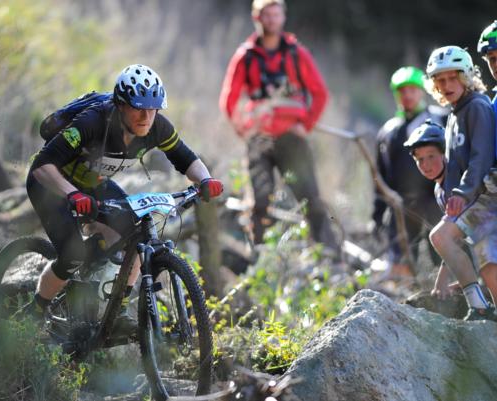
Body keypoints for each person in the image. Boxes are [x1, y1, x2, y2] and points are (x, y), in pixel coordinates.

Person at [25, 64, 224, 334]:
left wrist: (206, 181)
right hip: (52, 185)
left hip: (93, 185)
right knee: (72, 256)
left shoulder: (157, 127)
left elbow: (185, 158)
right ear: (120, 105)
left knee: (136, 231)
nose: (146, 116)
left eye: (153, 108)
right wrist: (72, 194)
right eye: (138, 108)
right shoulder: (92, 122)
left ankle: (116, 310)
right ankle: (36, 308)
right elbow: (42, 166)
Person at [218, 0, 338, 253]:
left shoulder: (296, 53)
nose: (271, 20)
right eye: (266, 15)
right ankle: (259, 257)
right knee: (260, 203)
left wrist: (305, 125)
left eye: (276, 14)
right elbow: (228, 99)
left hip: (291, 138)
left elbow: (320, 93)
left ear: (283, 17)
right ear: (256, 18)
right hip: (259, 140)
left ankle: (328, 256)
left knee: (311, 201)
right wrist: (244, 131)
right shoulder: (246, 56)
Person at [417, 45, 497, 321]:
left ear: (466, 77)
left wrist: (462, 193)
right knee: (484, 259)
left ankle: (480, 307)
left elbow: (482, 156)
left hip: (486, 196)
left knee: (445, 238)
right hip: (473, 197)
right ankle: (481, 307)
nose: (447, 85)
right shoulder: (454, 113)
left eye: (453, 78)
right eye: (440, 80)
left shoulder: (477, 106)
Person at [372, 66, 445, 279]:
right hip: (401, 205)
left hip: (436, 199)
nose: (407, 96)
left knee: (441, 255)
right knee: (401, 259)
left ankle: (451, 299)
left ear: (422, 91)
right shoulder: (388, 131)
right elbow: (380, 176)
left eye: (412, 90)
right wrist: (377, 213)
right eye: (402, 91)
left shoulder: (441, 120)